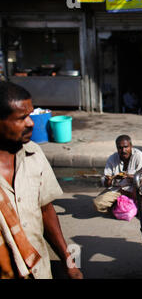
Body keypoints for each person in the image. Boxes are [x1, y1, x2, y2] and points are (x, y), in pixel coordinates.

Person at [0, 81, 83, 279]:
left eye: (30, 115)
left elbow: (46, 211)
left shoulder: (34, 153)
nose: (31, 123)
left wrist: (68, 262)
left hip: (39, 271)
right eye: (21, 118)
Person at [93, 135, 142, 214]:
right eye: (120, 148)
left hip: (134, 189)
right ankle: (118, 209)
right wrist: (109, 180)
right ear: (117, 148)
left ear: (131, 146)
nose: (123, 150)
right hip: (119, 190)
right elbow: (106, 182)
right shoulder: (112, 159)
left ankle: (131, 205)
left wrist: (128, 176)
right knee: (97, 204)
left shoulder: (138, 155)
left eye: (126, 147)